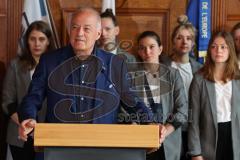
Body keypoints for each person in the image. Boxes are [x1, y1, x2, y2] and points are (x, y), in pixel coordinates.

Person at [17, 7, 153, 149]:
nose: (79, 33)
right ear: (70, 30)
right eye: (75, 27)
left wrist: (151, 123)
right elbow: (32, 98)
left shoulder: (115, 64)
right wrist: (28, 118)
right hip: (58, 147)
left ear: (98, 33)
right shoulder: (49, 61)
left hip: (103, 149)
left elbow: (131, 101)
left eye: (87, 29)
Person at [1, 21, 54, 160]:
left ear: (48, 41)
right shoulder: (16, 65)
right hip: (20, 133)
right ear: (27, 41)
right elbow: (7, 101)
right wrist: (27, 124)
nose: (37, 44)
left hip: (49, 133)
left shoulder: (56, 66)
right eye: (32, 39)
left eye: (41, 39)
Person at [131, 31, 187, 160]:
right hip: (140, 142)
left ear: (160, 49)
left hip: (168, 142)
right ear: (138, 51)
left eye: (152, 47)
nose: (147, 51)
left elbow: (183, 110)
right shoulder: (131, 76)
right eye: (142, 48)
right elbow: (126, 108)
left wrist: (164, 132)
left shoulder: (173, 75)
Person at [188, 31, 240, 160]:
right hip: (208, 142)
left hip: (235, 138)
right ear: (209, 50)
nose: (218, 51)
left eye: (223, 47)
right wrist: (195, 153)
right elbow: (193, 120)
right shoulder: (199, 79)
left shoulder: (238, 79)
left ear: (230, 50)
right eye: (214, 46)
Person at [159, 15, 202, 160]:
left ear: (193, 43)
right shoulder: (162, 66)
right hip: (170, 127)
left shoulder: (200, 69)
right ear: (172, 41)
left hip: (193, 128)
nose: (184, 42)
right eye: (179, 38)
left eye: (189, 38)